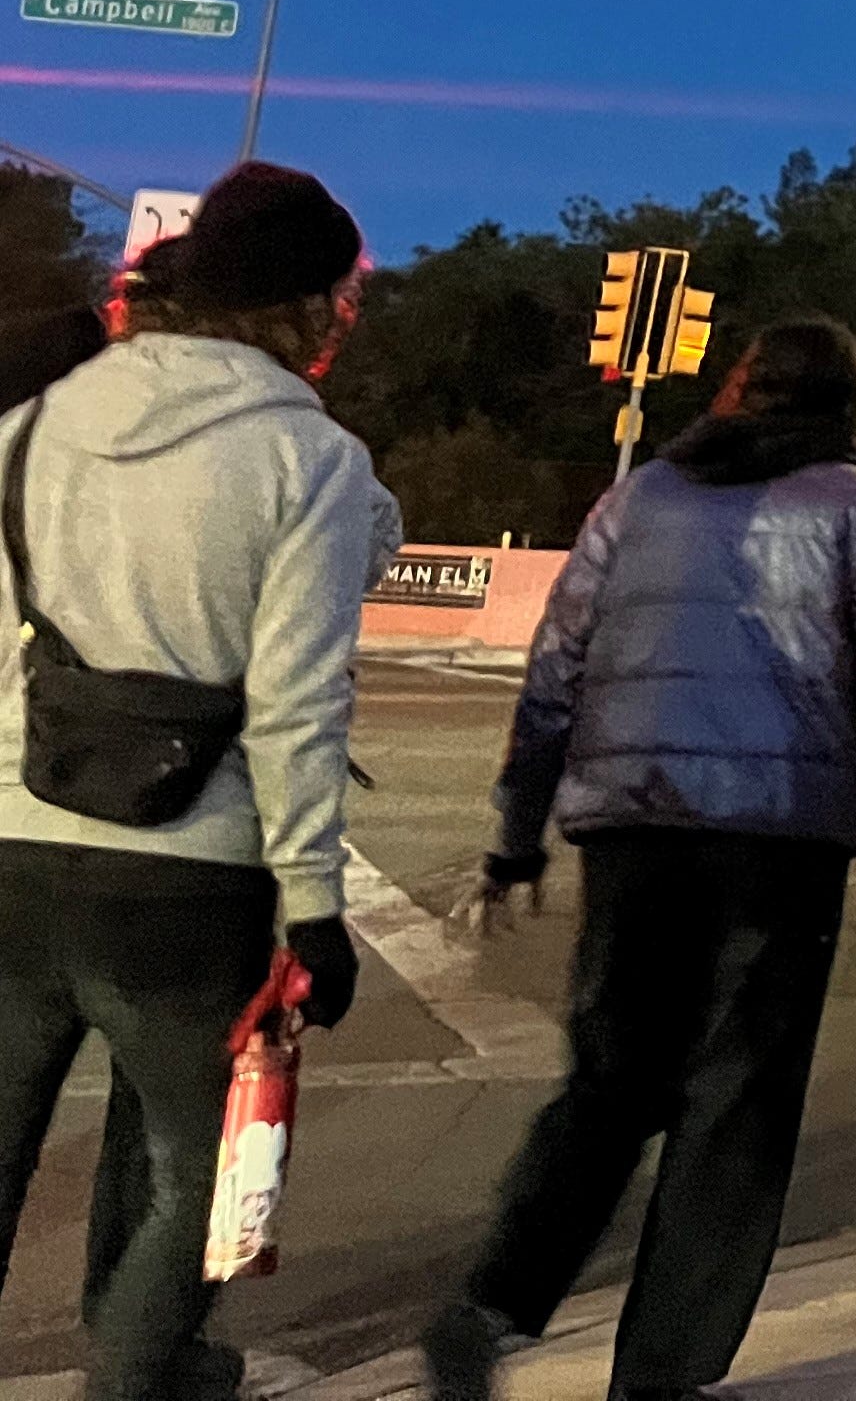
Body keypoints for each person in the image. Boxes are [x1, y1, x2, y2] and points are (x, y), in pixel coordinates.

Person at [424, 317, 856, 1401]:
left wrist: (517, 834)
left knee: (610, 1083)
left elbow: (556, 672)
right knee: (736, 1108)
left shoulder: (640, 502)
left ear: (736, 391)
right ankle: (661, 1373)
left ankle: (493, 1300)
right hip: (780, 841)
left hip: (635, 831)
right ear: (848, 407)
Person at [0, 164, 398, 1401]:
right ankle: (134, 1375)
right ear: (307, 303)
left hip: (10, 850)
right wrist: (316, 907)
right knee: (194, 1171)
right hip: (189, 875)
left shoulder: (26, 431)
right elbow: (295, 704)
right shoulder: (312, 464)